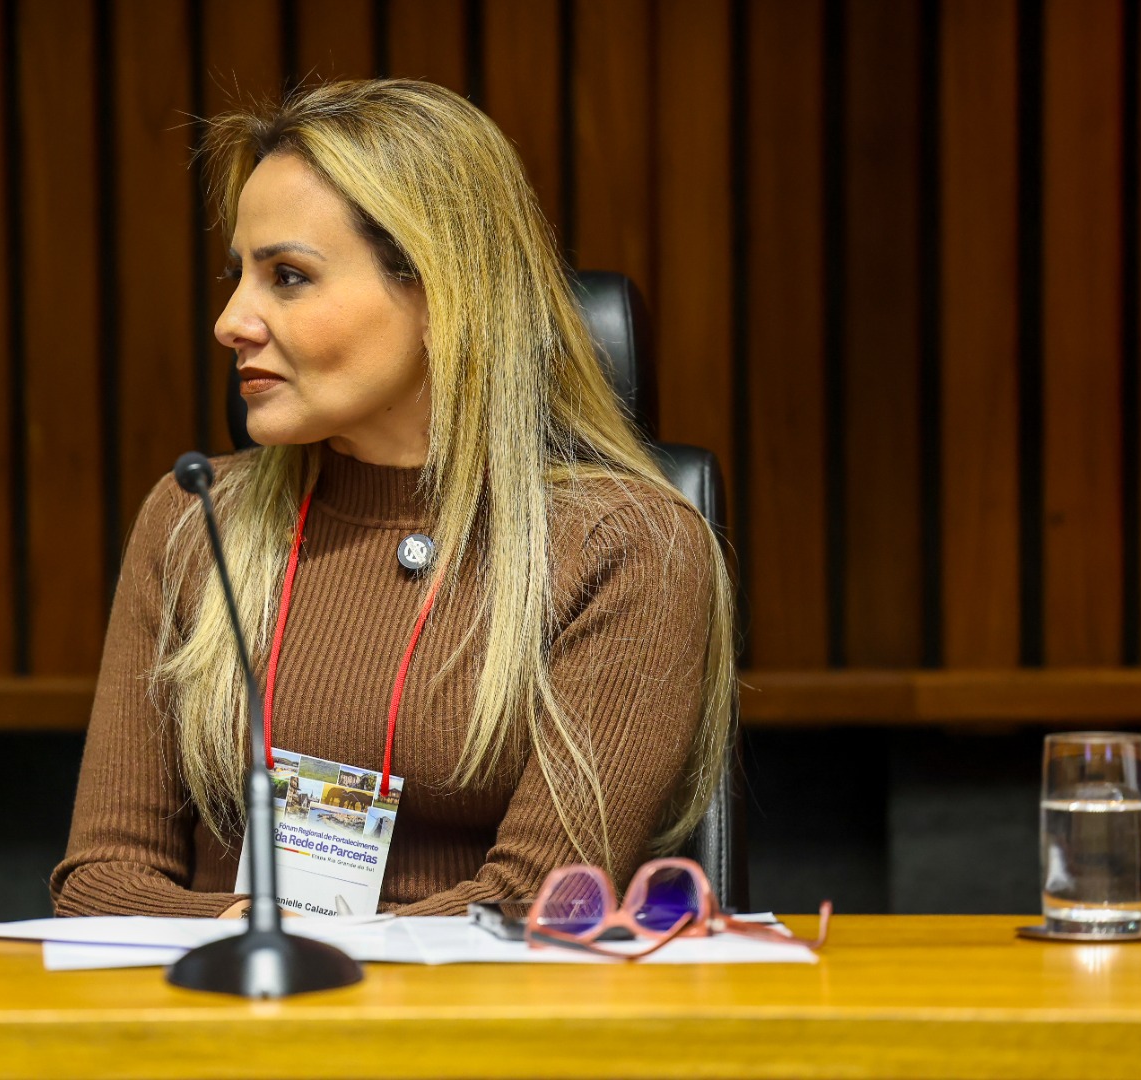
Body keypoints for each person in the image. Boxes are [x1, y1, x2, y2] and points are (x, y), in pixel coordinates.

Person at [50, 79, 736, 919]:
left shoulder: (625, 547)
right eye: (238, 276)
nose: (231, 321)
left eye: (288, 276)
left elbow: (532, 904)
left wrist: (305, 947)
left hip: (481, 1006)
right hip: (229, 995)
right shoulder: (195, 521)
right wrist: (259, 937)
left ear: (443, 296)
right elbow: (100, 883)